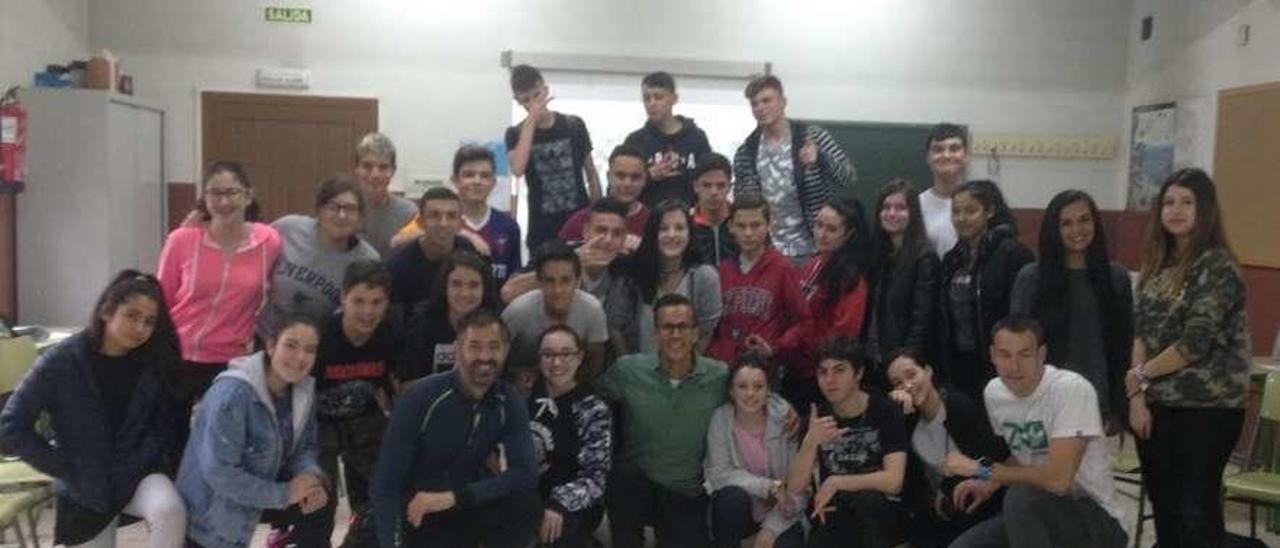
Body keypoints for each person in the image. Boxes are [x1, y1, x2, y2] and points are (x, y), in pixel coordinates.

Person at [0, 271, 187, 548]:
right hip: (84, 484)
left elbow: (166, 424)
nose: (140, 329)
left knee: (169, 510)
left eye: (149, 322)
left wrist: (151, 454)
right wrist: (61, 466)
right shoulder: (61, 361)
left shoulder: (153, 363)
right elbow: (12, 425)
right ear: (106, 311)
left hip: (136, 474)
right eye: (131, 316)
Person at [1127, 168, 1249, 548]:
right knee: (1165, 510)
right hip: (1158, 406)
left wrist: (1141, 375)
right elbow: (1140, 334)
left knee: (1196, 512)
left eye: (1186, 202)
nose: (1175, 210)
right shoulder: (1156, 267)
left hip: (1209, 408)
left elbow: (1195, 342)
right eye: (1168, 202)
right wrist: (1137, 398)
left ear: (1205, 210)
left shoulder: (1216, 265)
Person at [946, 316, 1126, 548]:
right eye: (1005, 355)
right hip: (1036, 513)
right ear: (992, 355)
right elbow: (1024, 454)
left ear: (1041, 355)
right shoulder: (994, 392)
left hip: (1095, 517)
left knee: (1021, 497)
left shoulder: (1070, 389)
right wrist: (988, 483)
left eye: (1024, 354)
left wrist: (984, 469)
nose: (1014, 366)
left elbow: (1059, 480)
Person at [370, 310, 541, 548]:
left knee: (525, 506)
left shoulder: (508, 399)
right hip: (418, 511)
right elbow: (386, 483)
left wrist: (454, 498)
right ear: (457, 349)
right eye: (475, 346)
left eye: (494, 346)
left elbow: (525, 473)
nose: (485, 356)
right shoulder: (420, 397)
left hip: (464, 504)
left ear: (506, 350)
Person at [176, 316, 330, 548]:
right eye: (291, 345)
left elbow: (304, 448)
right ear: (270, 346)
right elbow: (221, 473)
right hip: (206, 524)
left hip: (243, 517)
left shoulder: (303, 392)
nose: (300, 357)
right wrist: (286, 493)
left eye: (309, 350)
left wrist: (310, 479)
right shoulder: (232, 395)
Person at [598, 294, 729, 548]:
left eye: (683, 327)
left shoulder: (719, 375)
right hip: (636, 486)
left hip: (685, 491)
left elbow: (752, 396)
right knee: (621, 475)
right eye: (667, 327)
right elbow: (589, 401)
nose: (675, 335)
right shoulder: (627, 370)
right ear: (655, 333)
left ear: (695, 333)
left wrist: (783, 411)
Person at [157, 161, 282, 403]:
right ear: (204, 198)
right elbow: (161, 301)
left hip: (232, 363)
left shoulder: (269, 241)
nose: (224, 202)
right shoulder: (181, 240)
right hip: (177, 357)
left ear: (248, 195)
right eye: (215, 193)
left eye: (231, 192)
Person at [1010, 190, 1133, 427]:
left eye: (1084, 220)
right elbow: (1018, 346)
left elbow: (1123, 346)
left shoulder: (1116, 278)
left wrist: (1120, 405)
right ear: (1053, 230)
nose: (1077, 230)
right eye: (1066, 223)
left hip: (1099, 403)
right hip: (1044, 403)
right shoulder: (1031, 278)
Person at [786, 336, 909, 548]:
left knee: (866, 501)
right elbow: (795, 488)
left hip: (880, 510)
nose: (829, 380)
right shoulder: (818, 418)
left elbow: (894, 481)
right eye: (823, 372)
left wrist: (836, 482)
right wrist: (810, 442)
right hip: (837, 513)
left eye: (839, 370)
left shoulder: (884, 410)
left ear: (858, 373)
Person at [312, 260, 401, 546]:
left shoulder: (392, 333)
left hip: (365, 420)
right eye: (359, 301)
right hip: (318, 421)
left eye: (377, 302)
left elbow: (398, 389)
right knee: (318, 499)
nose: (367, 311)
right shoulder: (320, 335)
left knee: (379, 494)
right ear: (343, 299)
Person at [884, 349, 1008, 547]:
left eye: (912, 374)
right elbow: (909, 485)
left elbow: (986, 458)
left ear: (928, 371)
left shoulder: (958, 406)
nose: (907, 386)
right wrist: (894, 416)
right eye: (898, 383)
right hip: (940, 517)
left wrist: (947, 488)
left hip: (982, 503)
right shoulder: (908, 423)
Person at [733, 74, 855, 262]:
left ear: (783, 102)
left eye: (766, 100)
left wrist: (821, 158)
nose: (760, 108)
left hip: (813, 248)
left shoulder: (812, 136)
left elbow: (848, 177)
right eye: (754, 104)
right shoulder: (746, 152)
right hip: (766, 252)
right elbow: (742, 203)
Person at [937, 180, 1034, 401]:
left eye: (970, 211)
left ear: (989, 211)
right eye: (956, 212)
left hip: (1000, 364)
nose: (961, 218)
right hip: (959, 366)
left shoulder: (1013, 255)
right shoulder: (951, 260)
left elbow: (1023, 317)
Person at [704, 353, 806, 548]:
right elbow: (719, 474)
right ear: (731, 391)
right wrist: (769, 487)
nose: (750, 393)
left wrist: (770, 530)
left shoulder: (785, 420)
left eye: (758, 387)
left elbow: (797, 487)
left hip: (780, 512)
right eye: (742, 386)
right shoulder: (720, 420)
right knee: (729, 498)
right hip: (740, 512)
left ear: (769, 390)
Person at [260, 175, 380, 338]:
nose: (342, 215)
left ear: (359, 216)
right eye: (333, 207)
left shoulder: (368, 260)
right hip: (265, 337)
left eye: (350, 209)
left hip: (313, 349)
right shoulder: (288, 228)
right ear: (320, 209)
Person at [528, 325, 613, 548]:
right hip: (527, 498)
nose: (557, 363)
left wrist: (559, 503)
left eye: (566, 354)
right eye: (548, 354)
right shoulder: (524, 395)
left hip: (572, 504)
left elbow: (596, 477)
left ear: (580, 357)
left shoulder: (593, 408)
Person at [389, 145, 522, 286]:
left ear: (493, 182)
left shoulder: (509, 227)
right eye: (469, 175)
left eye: (484, 176)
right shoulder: (436, 217)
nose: (477, 181)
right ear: (455, 180)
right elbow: (397, 242)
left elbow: (513, 277)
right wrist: (462, 233)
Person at [707, 194, 810, 374]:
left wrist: (774, 347)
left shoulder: (782, 268)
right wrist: (718, 352)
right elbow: (710, 326)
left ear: (770, 225)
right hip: (725, 370)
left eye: (755, 225)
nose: (748, 233)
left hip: (764, 371)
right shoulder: (722, 270)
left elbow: (804, 323)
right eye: (741, 226)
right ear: (730, 226)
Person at [506, 64, 601, 251]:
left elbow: (591, 173)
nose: (534, 103)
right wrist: (532, 119)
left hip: (579, 223)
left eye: (536, 95)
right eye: (526, 100)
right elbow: (517, 169)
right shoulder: (515, 133)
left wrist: (597, 215)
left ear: (545, 89)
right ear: (517, 100)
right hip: (542, 230)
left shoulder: (574, 125)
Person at [616, 199, 721, 354]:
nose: (672, 235)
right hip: (638, 371)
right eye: (663, 228)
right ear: (652, 233)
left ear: (690, 233)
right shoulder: (632, 274)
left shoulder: (704, 277)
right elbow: (615, 326)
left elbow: (705, 333)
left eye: (679, 228)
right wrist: (630, 368)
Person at [796, 197, 872, 405]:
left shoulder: (851, 280)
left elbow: (843, 336)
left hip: (824, 376)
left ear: (848, 235)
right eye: (818, 225)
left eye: (831, 229)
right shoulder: (812, 264)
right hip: (798, 368)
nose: (822, 234)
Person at [502, 241, 608, 384]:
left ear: (577, 281)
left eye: (565, 281)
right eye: (549, 281)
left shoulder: (592, 309)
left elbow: (595, 360)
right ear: (539, 282)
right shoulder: (517, 312)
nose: (557, 290)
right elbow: (498, 357)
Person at [867, 179, 939, 368]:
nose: (891, 213)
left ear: (913, 213)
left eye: (900, 208)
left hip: (905, 361)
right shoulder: (877, 254)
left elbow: (922, 317)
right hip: (875, 357)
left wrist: (908, 357)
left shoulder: (925, 258)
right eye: (886, 207)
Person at [397, 251, 500, 384]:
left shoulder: (496, 328)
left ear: (484, 289)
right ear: (444, 287)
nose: (464, 293)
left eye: (473, 285)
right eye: (457, 284)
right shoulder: (421, 324)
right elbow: (406, 385)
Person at [622, 71, 712, 207]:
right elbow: (621, 186)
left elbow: (709, 178)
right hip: (649, 219)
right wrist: (648, 175)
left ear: (674, 99)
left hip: (689, 219)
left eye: (658, 97)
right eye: (647, 98)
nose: (652, 104)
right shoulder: (635, 141)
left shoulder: (697, 138)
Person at [385, 187, 476, 314]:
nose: (443, 223)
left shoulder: (470, 253)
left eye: (451, 216)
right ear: (420, 222)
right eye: (434, 215)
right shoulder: (398, 267)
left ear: (460, 224)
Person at [557, 145, 651, 251]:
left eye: (635, 177)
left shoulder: (654, 223)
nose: (627, 183)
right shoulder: (580, 221)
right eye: (620, 176)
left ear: (645, 180)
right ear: (608, 177)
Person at [354, 132, 417, 256]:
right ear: (356, 169)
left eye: (383, 167)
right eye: (367, 166)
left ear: (393, 171)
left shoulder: (409, 213)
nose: (375, 175)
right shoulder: (343, 209)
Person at [919, 123, 968, 258]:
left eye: (954, 149)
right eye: (938, 149)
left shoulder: (981, 205)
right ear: (928, 157)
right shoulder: (915, 205)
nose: (946, 155)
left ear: (966, 155)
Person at [689, 152, 738, 267]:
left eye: (720, 185)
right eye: (707, 185)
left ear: (730, 187)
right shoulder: (685, 224)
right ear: (696, 186)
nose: (714, 192)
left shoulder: (744, 222)